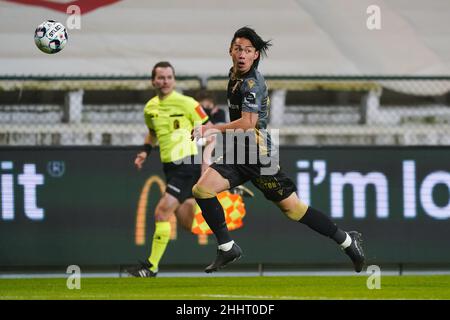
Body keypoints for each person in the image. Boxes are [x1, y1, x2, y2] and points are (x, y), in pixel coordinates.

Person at [191, 27, 366, 273]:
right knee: (202, 189)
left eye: (248, 50)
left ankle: (347, 240)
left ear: (255, 56)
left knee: (293, 210)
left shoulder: (251, 83)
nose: (242, 54)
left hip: (260, 156)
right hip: (239, 152)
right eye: (238, 48)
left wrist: (212, 129)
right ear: (230, 50)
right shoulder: (234, 75)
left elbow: (248, 123)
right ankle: (227, 247)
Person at [127, 61, 209, 277]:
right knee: (187, 223)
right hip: (170, 168)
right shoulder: (150, 108)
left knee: (161, 212)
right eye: (161, 77)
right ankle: (219, 204)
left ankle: (151, 266)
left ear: (174, 80)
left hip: (188, 164)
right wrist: (145, 151)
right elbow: (152, 132)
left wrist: (206, 158)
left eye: (169, 77)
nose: (165, 81)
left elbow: (209, 127)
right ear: (153, 80)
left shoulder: (187, 103)